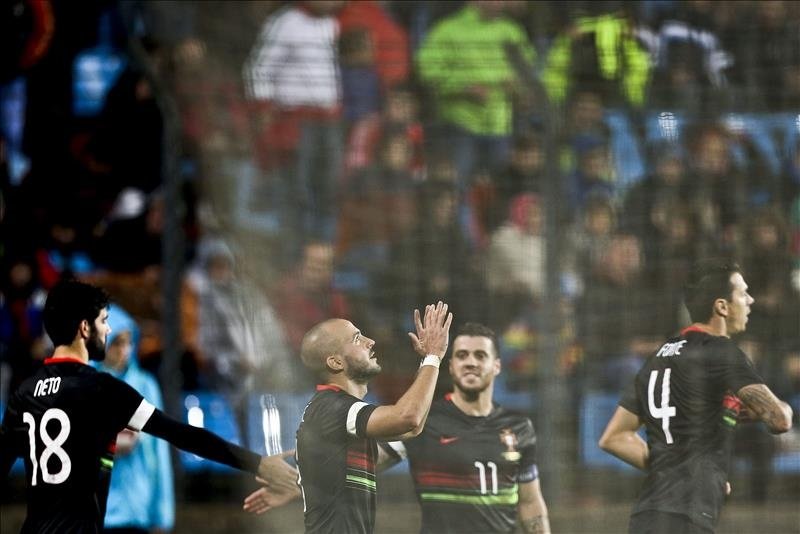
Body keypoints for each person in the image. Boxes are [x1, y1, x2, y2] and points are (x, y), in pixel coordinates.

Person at [0, 279, 298, 533]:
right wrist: (258, 463)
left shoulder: (24, 393)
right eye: (103, 321)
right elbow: (181, 434)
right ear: (84, 328)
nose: (107, 330)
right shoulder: (103, 389)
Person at [599, 260, 793, 534]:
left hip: (647, 515)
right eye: (742, 293)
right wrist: (785, 407)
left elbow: (614, 438)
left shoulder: (658, 356)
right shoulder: (722, 351)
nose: (750, 300)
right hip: (687, 518)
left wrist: (683, 473)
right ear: (722, 306)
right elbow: (779, 420)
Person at [244, 301, 453, 533]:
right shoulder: (331, 407)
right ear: (335, 362)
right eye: (357, 338)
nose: (370, 342)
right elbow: (408, 418)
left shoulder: (337, 415)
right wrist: (434, 356)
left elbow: (410, 429)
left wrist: (303, 483)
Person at [397, 322, 550, 533]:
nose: (470, 362)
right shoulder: (425, 421)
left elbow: (530, 502)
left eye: (480, 355)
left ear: (496, 366)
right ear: (450, 366)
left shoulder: (519, 428)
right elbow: (372, 462)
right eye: (462, 355)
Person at [96, 304, 174, 534]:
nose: (125, 350)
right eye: (117, 342)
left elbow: (158, 450)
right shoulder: (87, 382)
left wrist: (162, 514)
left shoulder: (145, 386)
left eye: (129, 342)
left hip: (137, 508)